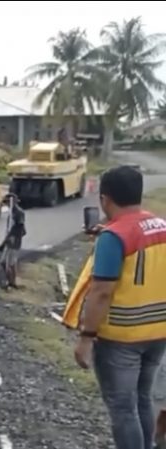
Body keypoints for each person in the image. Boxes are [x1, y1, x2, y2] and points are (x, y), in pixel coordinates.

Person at [64, 165, 166, 449]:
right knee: (143, 398)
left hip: (122, 336)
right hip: (159, 332)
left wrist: (86, 338)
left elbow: (101, 292)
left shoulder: (113, 237)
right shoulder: (161, 226)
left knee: (122, 408)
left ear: (105, 200)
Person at [0, 193, 25, 289]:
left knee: (10, 263)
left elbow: (20, 227)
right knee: (5, 262)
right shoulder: (12, 213)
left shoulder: (18, 213)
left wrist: (13, 238)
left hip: (13, 241)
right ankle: (11, 281)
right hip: (10, 240)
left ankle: (12, 282)